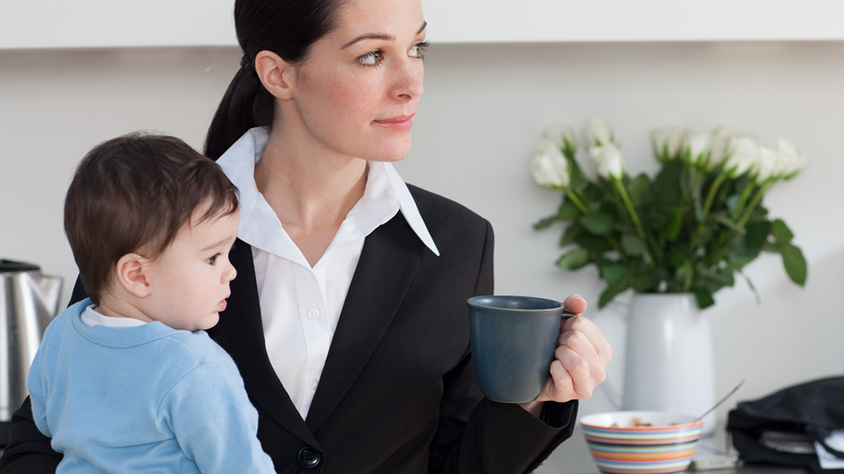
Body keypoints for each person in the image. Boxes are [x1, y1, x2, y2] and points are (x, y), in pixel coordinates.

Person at [0, 0, 612, 472]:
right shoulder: (153, 224)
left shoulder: (459, 244)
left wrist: (538, 398)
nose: (411, 82)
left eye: (418, 48)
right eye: (372, 55)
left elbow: (455, 462)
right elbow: (40, 437)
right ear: (278, 74)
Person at [24, 133, 276, 473]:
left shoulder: (62, 333)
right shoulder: (196, 368)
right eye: (213, 258)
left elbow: (45, 421)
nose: (231, 272)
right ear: (138, 276)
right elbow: (241, 466)